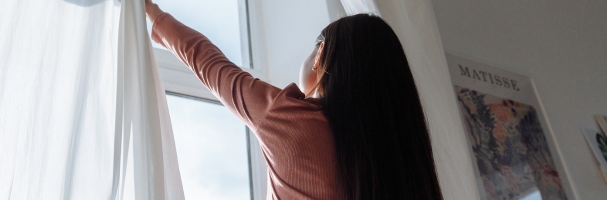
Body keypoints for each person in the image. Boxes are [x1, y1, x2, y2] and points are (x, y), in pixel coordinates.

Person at [144, 1, 443, 199]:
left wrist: (153, 13)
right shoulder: (403, 160)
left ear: (321, 54)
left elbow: (210, 64)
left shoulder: (291, 120)